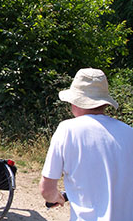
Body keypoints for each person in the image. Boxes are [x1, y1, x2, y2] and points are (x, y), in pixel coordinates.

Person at [39, 68, 133, 221]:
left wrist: (56, 197)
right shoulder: (129, 132)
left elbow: (46, 189)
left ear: (76, 101)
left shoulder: (67, 129)